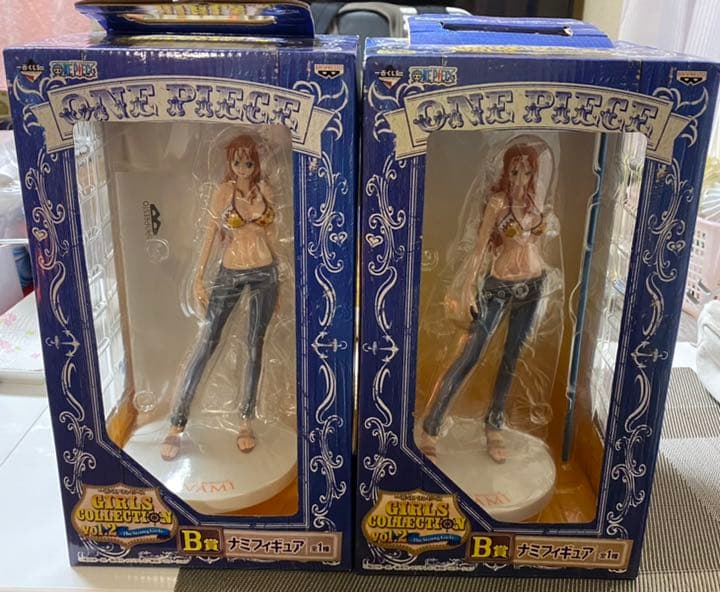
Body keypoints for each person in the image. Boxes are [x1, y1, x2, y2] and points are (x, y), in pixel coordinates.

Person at [419, 142, 550, 464]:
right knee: (470, 353)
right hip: (499, 285)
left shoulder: (537, 204)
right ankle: (432, 426)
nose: (520, 178)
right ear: (506, 171)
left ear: (534, 173)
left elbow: (538, 243)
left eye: (526, 172)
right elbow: (480, 248)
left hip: (533, 285)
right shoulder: (498, 202)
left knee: (511, 357)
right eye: (515, 171)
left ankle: (494, 425)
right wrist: (466, 287)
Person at [161, 134, 278, 461]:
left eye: (248, 162)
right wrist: (198, 277)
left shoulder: (265, 191)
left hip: (265, 271)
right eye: (237, 162)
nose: (242, 168)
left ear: (256, 164)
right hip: (230, 270)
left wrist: (282, 277)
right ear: (230, 162)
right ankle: (177, 422)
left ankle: (246, 420)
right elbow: (211, 233)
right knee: (208, 340)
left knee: (255, 345)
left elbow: (272, 236)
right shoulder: (224, 192)